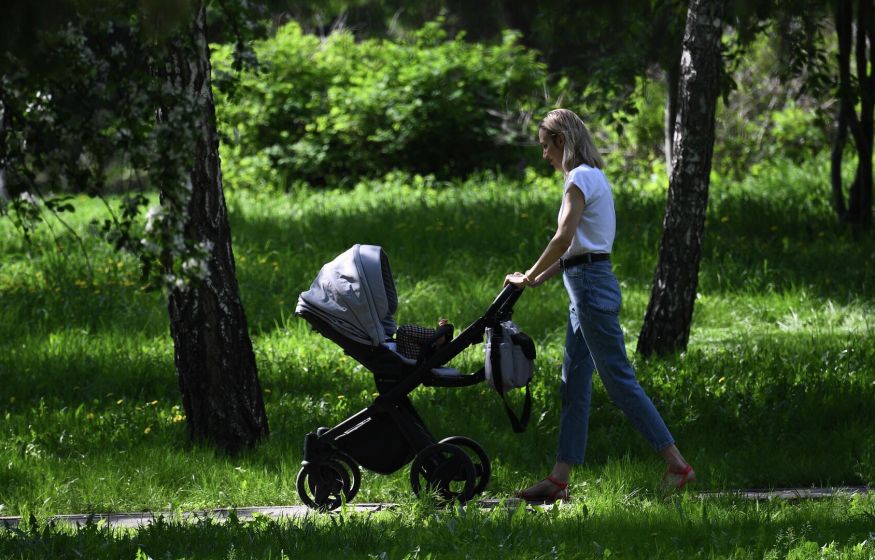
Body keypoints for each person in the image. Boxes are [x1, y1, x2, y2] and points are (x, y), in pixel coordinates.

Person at [505, 108, 695, 503]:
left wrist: (526, 273)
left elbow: (563, 238)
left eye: (546, 146)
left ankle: (678, 466)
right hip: (585, 284)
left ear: (562, 140)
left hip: (589, 289)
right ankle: (559, 479)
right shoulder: (595, 178)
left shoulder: (578, 178)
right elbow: (577, 249)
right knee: (573, 383)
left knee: (618, 380)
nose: (545, 155)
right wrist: (540, 277)